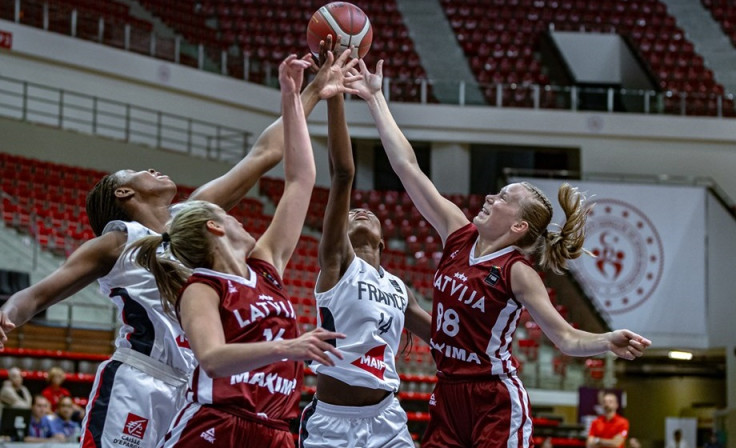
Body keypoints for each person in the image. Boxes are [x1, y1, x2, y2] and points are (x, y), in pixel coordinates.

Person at [0, 47, 357, 448]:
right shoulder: (119, 239)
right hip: (142, 380)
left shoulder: (193, 220)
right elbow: (39, 293)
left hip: (201, 386)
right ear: (123, 191)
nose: (154, 169)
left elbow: (266, 153)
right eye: (140, 170)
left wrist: (315, 89)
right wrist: (7, 313)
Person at [349, 59, 652, 448]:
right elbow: (407, 167)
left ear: (518, 227)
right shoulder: (457, 233)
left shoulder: (517, 271)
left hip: (494, 401)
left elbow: (564, 339)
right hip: (447, 395)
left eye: (505, 198)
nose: (492, 197)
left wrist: (606, 339)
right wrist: (375, 97)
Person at [130, 53, 350, 448]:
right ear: (216, 226)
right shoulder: (201, 286)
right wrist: (289, 347)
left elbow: (301, 179)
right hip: (218, 424)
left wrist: (291, 95)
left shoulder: (266, 266)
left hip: (277, 430)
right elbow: (212, 358)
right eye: (230, 217)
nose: (241, 219)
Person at [297, 42, 431, 448]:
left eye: (367, 213)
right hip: (333, 421)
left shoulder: (397, 287)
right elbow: (342, 174)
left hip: (387, 419)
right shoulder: (337, 262)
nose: (359, 211)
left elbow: (445, 334)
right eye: (353, 212)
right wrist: (335, 97)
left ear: (383, 239)